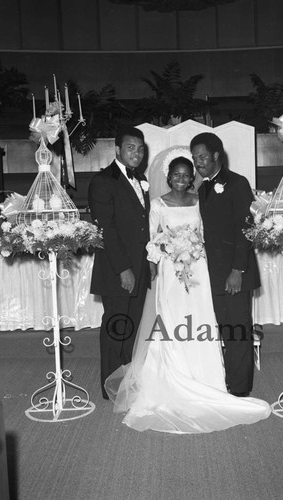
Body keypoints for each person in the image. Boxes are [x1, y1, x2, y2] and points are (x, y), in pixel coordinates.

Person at [104, 152, 271, 433]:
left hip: (199, 269)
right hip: (171, 272)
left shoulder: (200, 201)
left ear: (192, 178)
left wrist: (194, 247)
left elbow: (208, 233)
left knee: (202, 319)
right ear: (168, 177)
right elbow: (151, 241)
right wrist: (158, 259)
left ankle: (208, 381)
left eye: (186, 174)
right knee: (171, 322)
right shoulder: (157, 204)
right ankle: (170, 378)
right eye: (176, 174)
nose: (181, 179)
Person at [190, 132, 260, 397]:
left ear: (217, 155)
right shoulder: (204, 186)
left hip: (234, 273)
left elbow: (245, 229)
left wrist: (237, 270)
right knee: (226, 330)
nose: (198, 162)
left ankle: (240, 390)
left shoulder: (237, 183)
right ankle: (230, 380)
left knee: (238, 331)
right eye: (195, 158)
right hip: (214, 273)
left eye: (203, 156)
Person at [88, 126, 150, 399]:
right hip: (118, 269)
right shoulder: (103, 180)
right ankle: (110, 388)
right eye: (130, 147)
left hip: (140, 267)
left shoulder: (140, 178)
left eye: (140, 148)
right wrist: (124, 269)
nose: (136, 153)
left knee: (132, 327)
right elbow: (107, 229)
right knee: (116, 327)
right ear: (117, 150)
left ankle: (126, 381)